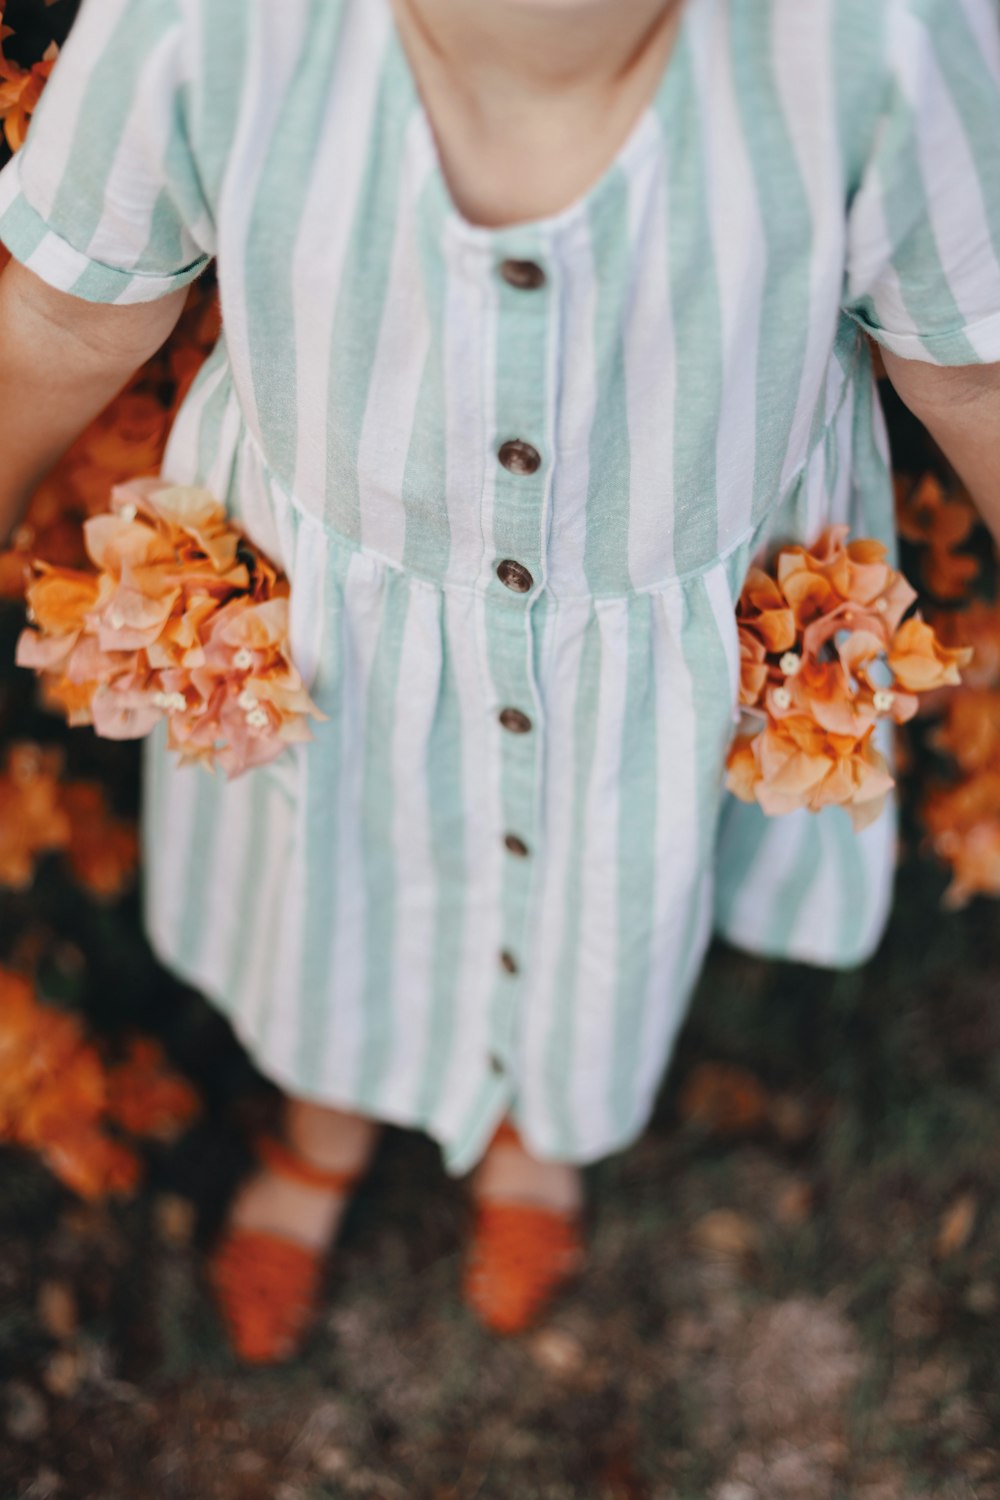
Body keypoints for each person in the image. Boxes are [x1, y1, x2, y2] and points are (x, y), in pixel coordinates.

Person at [1, 0, 999, 1364]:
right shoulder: (211, 22)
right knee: (326, 908)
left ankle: (537, 1145)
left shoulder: (880, 43)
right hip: (328, 648)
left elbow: (975, 377)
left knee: (601, 925)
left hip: (640, 684)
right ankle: (319, 1135)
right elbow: (61, 322)